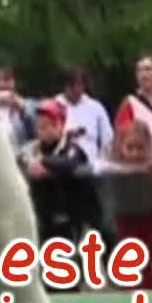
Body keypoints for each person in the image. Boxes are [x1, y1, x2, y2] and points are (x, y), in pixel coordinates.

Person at [18, 98, 103, 285]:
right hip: (43, 221)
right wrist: (32, 164)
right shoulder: (33, 150)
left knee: (68, 276)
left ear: (60, 126)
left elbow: (70, 163)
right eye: (40, 126)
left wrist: (46, 165)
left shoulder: (71, 149)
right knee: (45, 277)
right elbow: (22, 157)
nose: (44, 130)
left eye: (49, 125)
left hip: (69, 221)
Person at [101, 121, 152, 289]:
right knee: (129, 264)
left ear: (148, 146)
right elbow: (99, 166)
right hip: (126, 219)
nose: (135, 153)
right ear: (121, 147)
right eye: (130, 148)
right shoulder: (110, 161)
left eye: (140, 148)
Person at [55, 66, 114, 164]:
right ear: (65, 86)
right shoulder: (54, 105)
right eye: (72, 86)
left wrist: (104, 162)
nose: (76, 90)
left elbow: (107, 138)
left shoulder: (95, 107)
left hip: (90, 163)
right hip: (61, 159)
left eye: (79, 85)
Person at [0, 64, 34, 150]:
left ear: (14, 82)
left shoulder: (28, 106)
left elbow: (35, 136)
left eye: (7, 79)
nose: (1, 84)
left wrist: (23, 110)